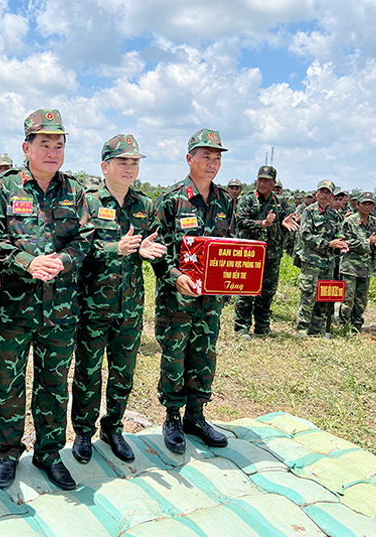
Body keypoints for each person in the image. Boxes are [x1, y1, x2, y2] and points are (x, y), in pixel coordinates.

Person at [0, 109, 92, 491]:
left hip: (60, 311)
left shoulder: (75, 191)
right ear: (26, 147)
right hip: (14, 308)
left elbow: (86, 240)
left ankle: (48, 453)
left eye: (59, 145)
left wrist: (60, 260)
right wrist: (27, 262)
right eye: (44, 144)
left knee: (54, 384)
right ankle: (7, 454)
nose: (52, 151)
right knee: (8, 383)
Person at [71, 134, 165, 465]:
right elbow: (76, 248)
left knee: (123, 372)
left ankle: (113, 428)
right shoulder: (88, 201)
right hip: (93, 306)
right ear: (105, 166)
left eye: (134, 162)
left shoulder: (144, 205)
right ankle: (83, 431)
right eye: (122, 162)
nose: (129, 168)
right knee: (88, 371)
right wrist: (116, 248)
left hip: (130, 306)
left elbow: (155, 245)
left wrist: (147, 252)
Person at [151, 128, 232, 455]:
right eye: (205, 156)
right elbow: (155, 249)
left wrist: (232, 284)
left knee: (204, 355)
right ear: (190, 158)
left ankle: (195, 416)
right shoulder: (171, 200)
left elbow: (232, 247)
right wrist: (174, 276)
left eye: (217, 158)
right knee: (175, 356)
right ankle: (172, 417)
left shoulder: (226, 200)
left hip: (211, 300)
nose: (212, 163)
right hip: (177, 299)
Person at [234, 165, 297, 337]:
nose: (262, 183)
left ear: (273, 182)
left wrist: (284, 225)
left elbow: (287, 221)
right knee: (246, 291)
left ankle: (262, 327)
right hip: (249, 254)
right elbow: (240, 221)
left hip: (272, 254)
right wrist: (261, 223)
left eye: (266, 180)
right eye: (260, 179)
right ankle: (242, 327)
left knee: (267, 292)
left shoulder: (280, 202)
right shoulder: (247, 199)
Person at [295, 180, 349, 336]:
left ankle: (317, 330)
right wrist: (328, 244)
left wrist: (342, 243)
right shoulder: (309, 211)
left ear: (331, 195)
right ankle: (303, 329)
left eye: (327, 192)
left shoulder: (334, 214)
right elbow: (306, 235)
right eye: (322, 191)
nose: (324, 195)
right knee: (308, 295)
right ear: (316, 193)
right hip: (312, 261)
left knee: (323, 297)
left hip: (328, 263)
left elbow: (339, 233)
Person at [339, 192, 376, 331]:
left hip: (366, 267)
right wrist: (368, 242)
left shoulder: (375, 223)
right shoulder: (349, 221)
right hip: (350, 266)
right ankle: (344, 323)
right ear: (358, 204)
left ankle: (357, 324)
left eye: (370, 203)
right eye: (364, 203)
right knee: (348, 298)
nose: (367, 206)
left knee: (361, 300)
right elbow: (346, 242)